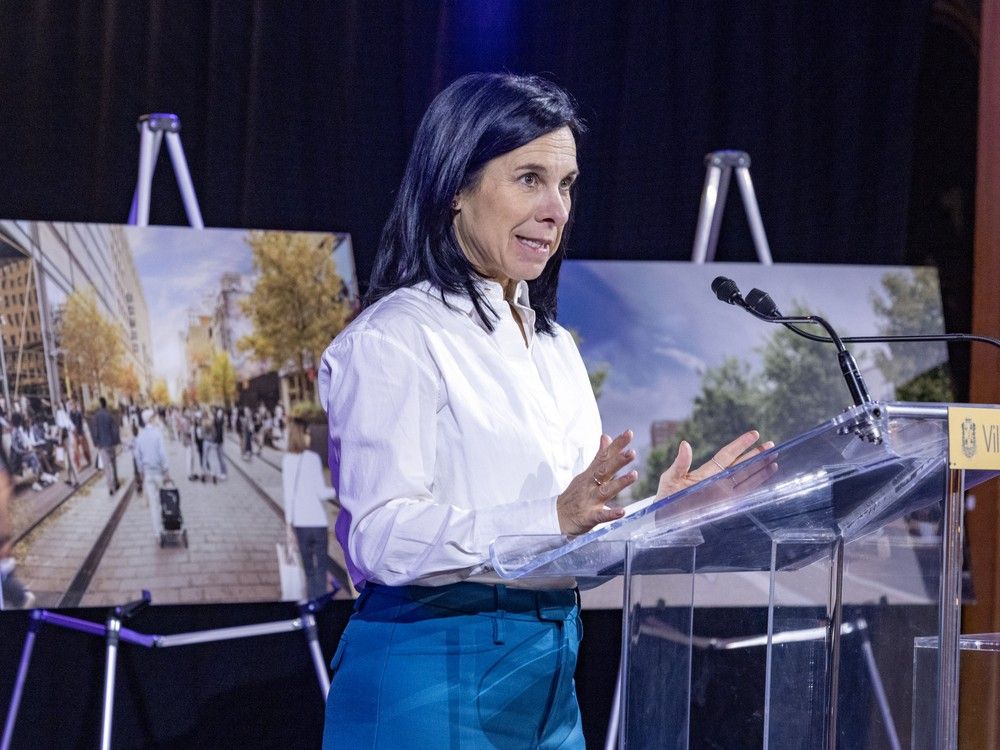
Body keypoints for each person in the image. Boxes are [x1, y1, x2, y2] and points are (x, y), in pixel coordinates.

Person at [318, 73, 770, 748]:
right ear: (454, 188)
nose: (556, 209)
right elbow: (379, 536)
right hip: (431, 671)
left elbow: (575, 534)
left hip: (551, 673)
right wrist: (550, 518)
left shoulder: (556, 347)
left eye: (566, 184)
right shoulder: (394, 339)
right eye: (529, 178)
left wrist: (664, 513)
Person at [282, 417, 335, 601]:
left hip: (301, 525)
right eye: (307, 433)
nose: (309, 437)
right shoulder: (313, 459)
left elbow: (288, 497)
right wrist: (338, 491)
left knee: (309, 571)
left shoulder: (287, 461)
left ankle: (312, 601)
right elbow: (321, 493)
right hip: (318, 523)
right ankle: (320, 603)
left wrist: (289, 527)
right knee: (321, 568)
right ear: (301, 434)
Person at [132, 408, 171, 541]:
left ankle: (157, 533)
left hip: (148, 474)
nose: (155, 419)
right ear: (150, 419)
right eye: (153, 418)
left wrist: (141, 470)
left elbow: (137, 456)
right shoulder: (157, 433)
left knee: (153, 504)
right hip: (159, 473)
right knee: (163, 500)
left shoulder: (140, 436)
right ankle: (166, 526)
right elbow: (162, 454)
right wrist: (166, 470)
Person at [90, 397, 120, 495]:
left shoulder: (95, 417)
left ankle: (110, 487)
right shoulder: (109, 415)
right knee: (114, 464)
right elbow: (115, 429)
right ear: (105, 404)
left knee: (106, 467)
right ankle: (116, 482)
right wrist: (116, 442)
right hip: (111, 443)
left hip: (102, 445)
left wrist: (96, 443)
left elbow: (94, 431)